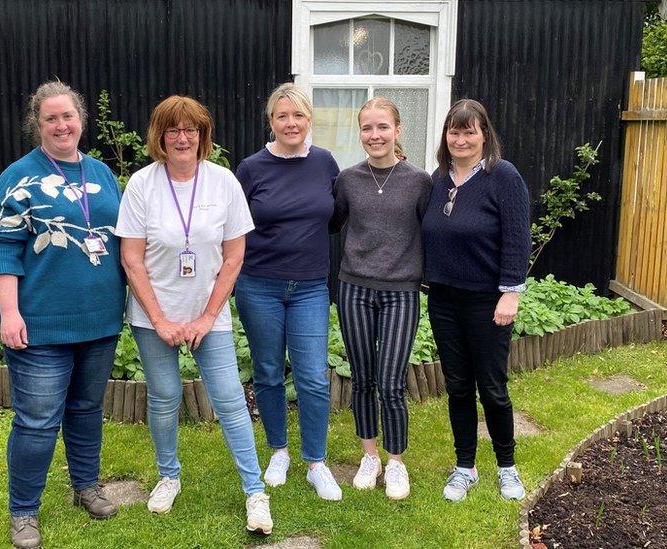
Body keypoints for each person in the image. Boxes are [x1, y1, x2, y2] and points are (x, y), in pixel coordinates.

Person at [116, 95, 273, 534]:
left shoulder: (223, 182)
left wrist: (206, 316)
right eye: (173, 130)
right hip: (153, 317)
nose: (182, 138)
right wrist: (161, 320)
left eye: (191, 130)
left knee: (228, 399)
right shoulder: (142, 185)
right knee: (164, 397)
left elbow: (234, 257)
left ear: (203, 136)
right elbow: (131, 259)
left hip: (211, 315)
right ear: (160, 136)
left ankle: (255, 491)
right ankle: (169, 475)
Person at [0, 81, 125, 549]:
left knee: (85, 409)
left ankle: (85, 486)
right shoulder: (18, 177)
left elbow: (125, 240)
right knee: (38, 421)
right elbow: (2, 247)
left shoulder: (102, 174)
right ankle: (24, 512)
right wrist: (9, 313)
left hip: (100, 321)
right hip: (40, 323)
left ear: (80, 119)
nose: (62, 125)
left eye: (68, 116)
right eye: (51, 119)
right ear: (38, 125)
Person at [234, 83, 343, 501]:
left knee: (313, 376)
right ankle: (278, 450)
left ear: (308, 119)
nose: (290, 123)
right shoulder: (252, 167)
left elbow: (333, 217)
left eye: (297, 115)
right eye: (282, 116)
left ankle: (316, 461)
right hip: (259, 284)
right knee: (267, 372)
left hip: (310, 287)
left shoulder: (324, 163)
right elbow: (235, 225)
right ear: (271, 122)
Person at [421, 98, 530, 502]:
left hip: (488, 301)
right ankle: (464, 467)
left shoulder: (503, 177)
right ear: (446, 136)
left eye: (470, 131)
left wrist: (510, 294)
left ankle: (507, 468)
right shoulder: (438, 179)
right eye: (454, 131)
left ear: (484, 135)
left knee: (493, 387)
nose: (461, 139)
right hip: (444, 300)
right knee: (458, 387)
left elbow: (518, 238)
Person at [332, 97, 432, 500]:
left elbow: (434, 234)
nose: (375, 135)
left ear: (398, 130)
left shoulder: (419, 181)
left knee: (390, 383)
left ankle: (396, 462)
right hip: (354, 288)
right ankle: (368, 454)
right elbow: (332, 222)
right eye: (367, 128)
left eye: (382, 127)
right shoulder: (347, 179)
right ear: (361, 133)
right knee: (362, 379)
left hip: (401, 293)